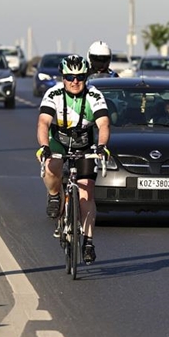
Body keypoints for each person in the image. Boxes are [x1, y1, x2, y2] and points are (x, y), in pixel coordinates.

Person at [36, 55, 111, 265]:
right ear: (63, 78)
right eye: (70, 77)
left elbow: (104, 124)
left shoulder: (94, 94)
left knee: (87, 190)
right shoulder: (54, 94)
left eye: (80, 77)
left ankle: (88, 241)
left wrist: (102, 146)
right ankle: (54, 195)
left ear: (86, 77)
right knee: (52, 165)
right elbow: (43, 123)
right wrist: (44, 147)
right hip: (58, 141)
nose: (75, 81)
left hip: (85, 143)